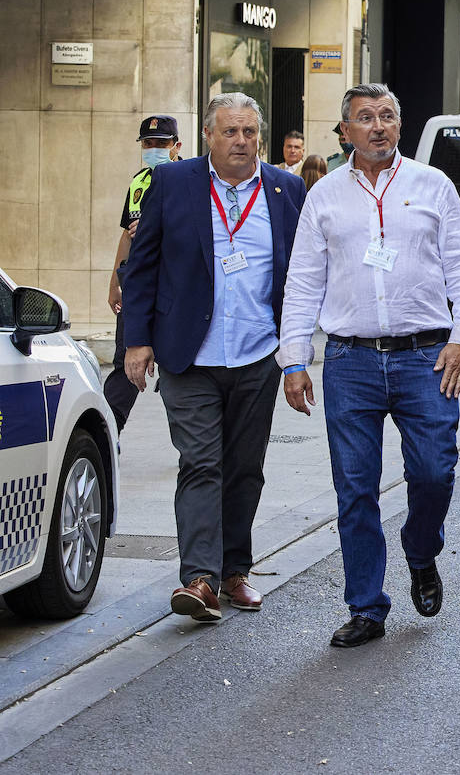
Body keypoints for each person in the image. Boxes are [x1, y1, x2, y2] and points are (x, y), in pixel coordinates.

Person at [278, 83, 460, 649]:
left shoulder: (432, 186)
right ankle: (367, 606)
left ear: (400, 125)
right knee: (354, 488)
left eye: (388, 117)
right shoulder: (323, 196)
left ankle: (421, 551)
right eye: (365, 118)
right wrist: (294, 358)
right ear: (344, 131)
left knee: (433, 472)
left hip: (427, 356)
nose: (378, 126)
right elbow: (302, 282)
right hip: (349, 362)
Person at [121, 93, 306, 622]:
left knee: (244, 469)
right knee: (201, 462)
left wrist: (296, 352)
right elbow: (142, 266)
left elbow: (301, 273)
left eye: (249, 132)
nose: (241, 141)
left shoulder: (285, 188)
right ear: (208, 136)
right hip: (189, 353)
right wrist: (138, 340)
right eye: (230, 132)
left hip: (257, 354)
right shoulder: (172, 185)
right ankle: (198, 579)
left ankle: (233, 571)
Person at [104, 115, 181, 433]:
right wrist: (114, 282)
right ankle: (108, 434)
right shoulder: (138, 182)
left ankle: (192, 442)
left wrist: (155, 228)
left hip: (174, 285)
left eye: (161, 144)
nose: (154, 149)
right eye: (148, 144)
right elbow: (127, 234)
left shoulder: (189, 180)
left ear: (176, 146)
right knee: (125, 359)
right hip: (137, 284)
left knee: (178, 366)